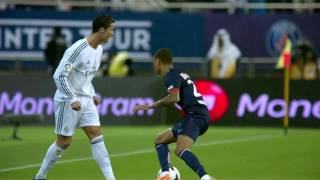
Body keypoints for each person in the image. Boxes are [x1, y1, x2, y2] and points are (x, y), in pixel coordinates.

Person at [34, 15, 116, 180]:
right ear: (101, 30)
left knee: (97, 135)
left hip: (86, 100)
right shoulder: (77, 49)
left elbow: (87, 77)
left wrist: (92, 94)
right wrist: (72, 98)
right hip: (67, 100)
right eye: (111, 30)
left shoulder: (99, 49)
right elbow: (59, 76)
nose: (112, 34)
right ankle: (40, 176)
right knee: (64, 142)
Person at [133, 48, 214, 180]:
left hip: (195, 116)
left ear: (158, 61)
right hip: (197, 115)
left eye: (154, 62)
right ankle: (166, 173)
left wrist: (151, 106)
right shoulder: (178, 73)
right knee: (160, 140)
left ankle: (205, 177)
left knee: (180, 149)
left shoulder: (170, 76)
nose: (154, 66)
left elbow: (174, 98)